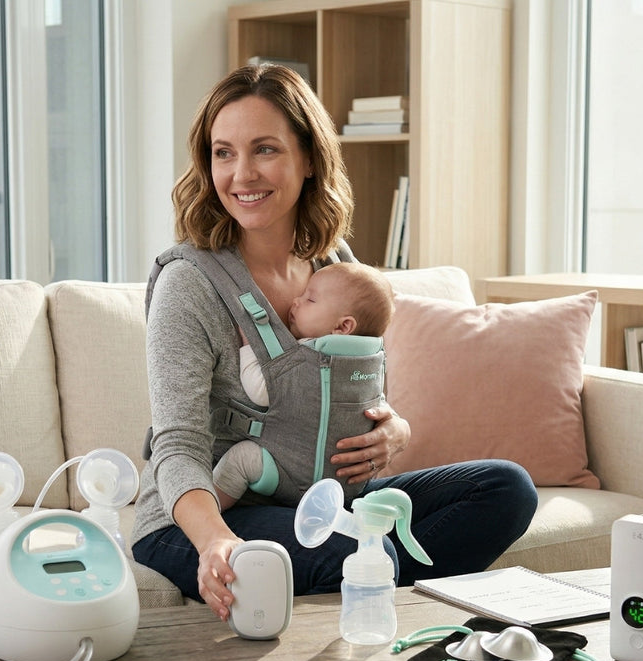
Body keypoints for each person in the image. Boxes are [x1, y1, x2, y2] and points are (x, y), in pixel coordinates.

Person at [131, 63, 538, 621]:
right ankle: (388, 599)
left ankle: (390, 601)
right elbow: (177, 446)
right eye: (223, 153)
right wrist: (214, 542)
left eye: (265, 149)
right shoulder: (190, 283)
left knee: (506, 489)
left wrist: (395, 430)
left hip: (320, 497)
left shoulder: (334, 262)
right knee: (358, 552)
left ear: (308, 159)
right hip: (202, 517)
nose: (242, 174)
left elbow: (360, 392)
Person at [214, 260, 395, 509]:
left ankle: (212, 511)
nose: (296, 301)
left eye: (310, 300)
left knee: (243, 459)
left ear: (343, 326)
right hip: (347, 487)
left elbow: (261, 390)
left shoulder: (310, 359)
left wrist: (248, 346)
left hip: (291, 477)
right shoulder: (370, 361)